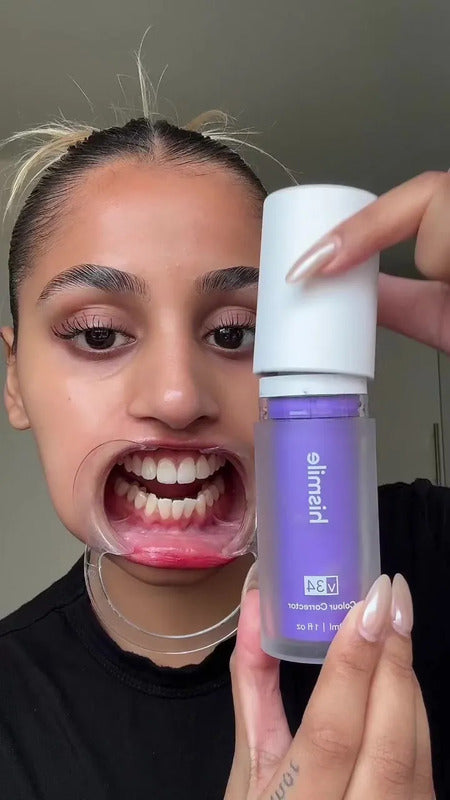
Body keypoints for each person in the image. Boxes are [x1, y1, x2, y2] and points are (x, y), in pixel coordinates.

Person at [0, 90, 447, 798]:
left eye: (235, 332)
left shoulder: (435, 548)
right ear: (15, 380)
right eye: (98, 334)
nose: (178, 397)